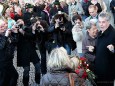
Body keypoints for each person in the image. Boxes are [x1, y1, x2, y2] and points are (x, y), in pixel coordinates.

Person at [16, 19, 41, 86]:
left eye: (22, 23)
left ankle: (38, 81)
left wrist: (33, 30)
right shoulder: (16, 32)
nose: (21, 24)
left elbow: (32, 37)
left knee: (38, 66)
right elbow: (16, 41)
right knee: (26, 69)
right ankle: (25, 83)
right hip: (24, 53)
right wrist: (17, 30)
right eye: (19, 23)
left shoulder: (27, 29)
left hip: (32, 51)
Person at [94, 12, 115, 85]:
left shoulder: (113, 34)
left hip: (107, 71)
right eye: (99, 22)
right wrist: (94, 48)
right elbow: (100, 47)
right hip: (99, 68)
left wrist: (113, 50)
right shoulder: (100, 32)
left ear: (108, 22)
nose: (101, 24)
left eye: (103, 22)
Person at [0, 19, 18, 86]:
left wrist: (15, 33)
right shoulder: (5, 35)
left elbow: (15, 42)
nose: (4, 27)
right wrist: (6, 36)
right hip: (2, 62)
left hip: (9, 60)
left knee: (9, 78)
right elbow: (1, 47)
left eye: (4, 25)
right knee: (11, 77)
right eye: (1, 27)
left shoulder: (7, 33)